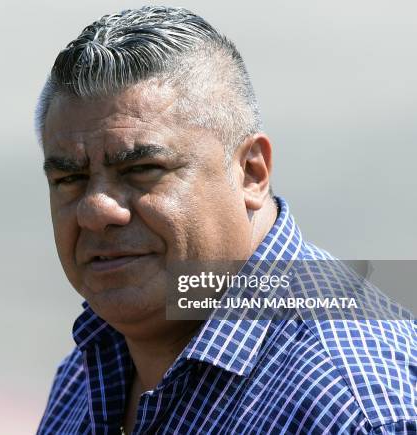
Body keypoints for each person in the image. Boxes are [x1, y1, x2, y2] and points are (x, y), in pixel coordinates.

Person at [34, 6, 416, 434]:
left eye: (142, 170)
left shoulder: (348, 405)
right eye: (69, 178)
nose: (96, 209)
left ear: (252, 173)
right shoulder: (94, 363)